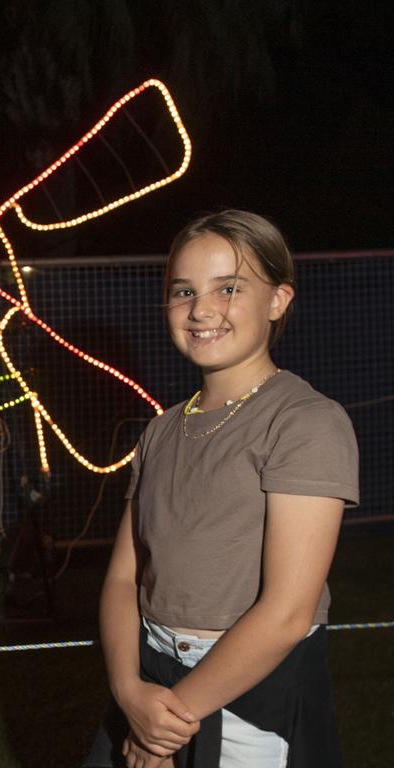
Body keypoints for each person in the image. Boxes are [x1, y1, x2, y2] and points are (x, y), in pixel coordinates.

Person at [85, 210, 358, 768]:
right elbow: (122, 577)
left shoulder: (304, 422)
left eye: (229, 288)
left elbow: (287, 611)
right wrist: (129, 691)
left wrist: (166, 725)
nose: (201, 309)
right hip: (150, 680)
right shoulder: (162, 429)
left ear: (279, 300)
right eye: (183, 291)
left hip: (249, 695)